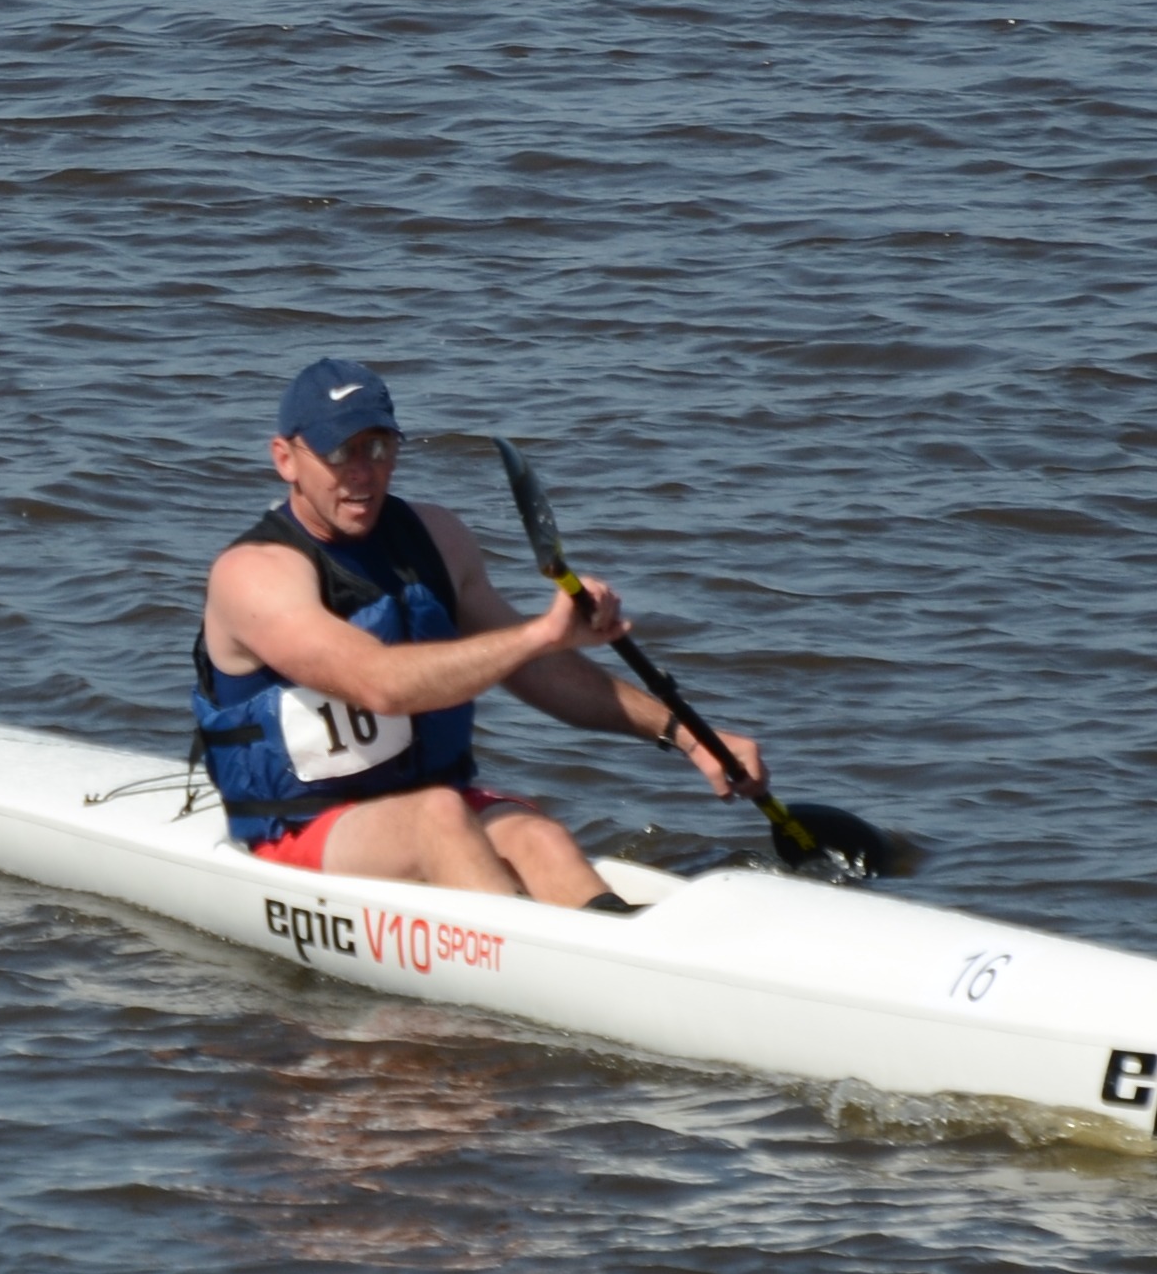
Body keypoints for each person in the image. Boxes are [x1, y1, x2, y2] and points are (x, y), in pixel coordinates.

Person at [192, 359, 767, 910]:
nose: (362, 472)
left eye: (378, 447)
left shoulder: (436, 536)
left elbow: (537, 671)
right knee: (438, 816)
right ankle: (536, 970)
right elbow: (380, 685)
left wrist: (688, 734)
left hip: (430, 805)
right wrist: (543, 633)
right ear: (286, 458)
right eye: (339, 451)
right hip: (300, 826)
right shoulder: (255, 575)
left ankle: (617, 948)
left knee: (538, 835)